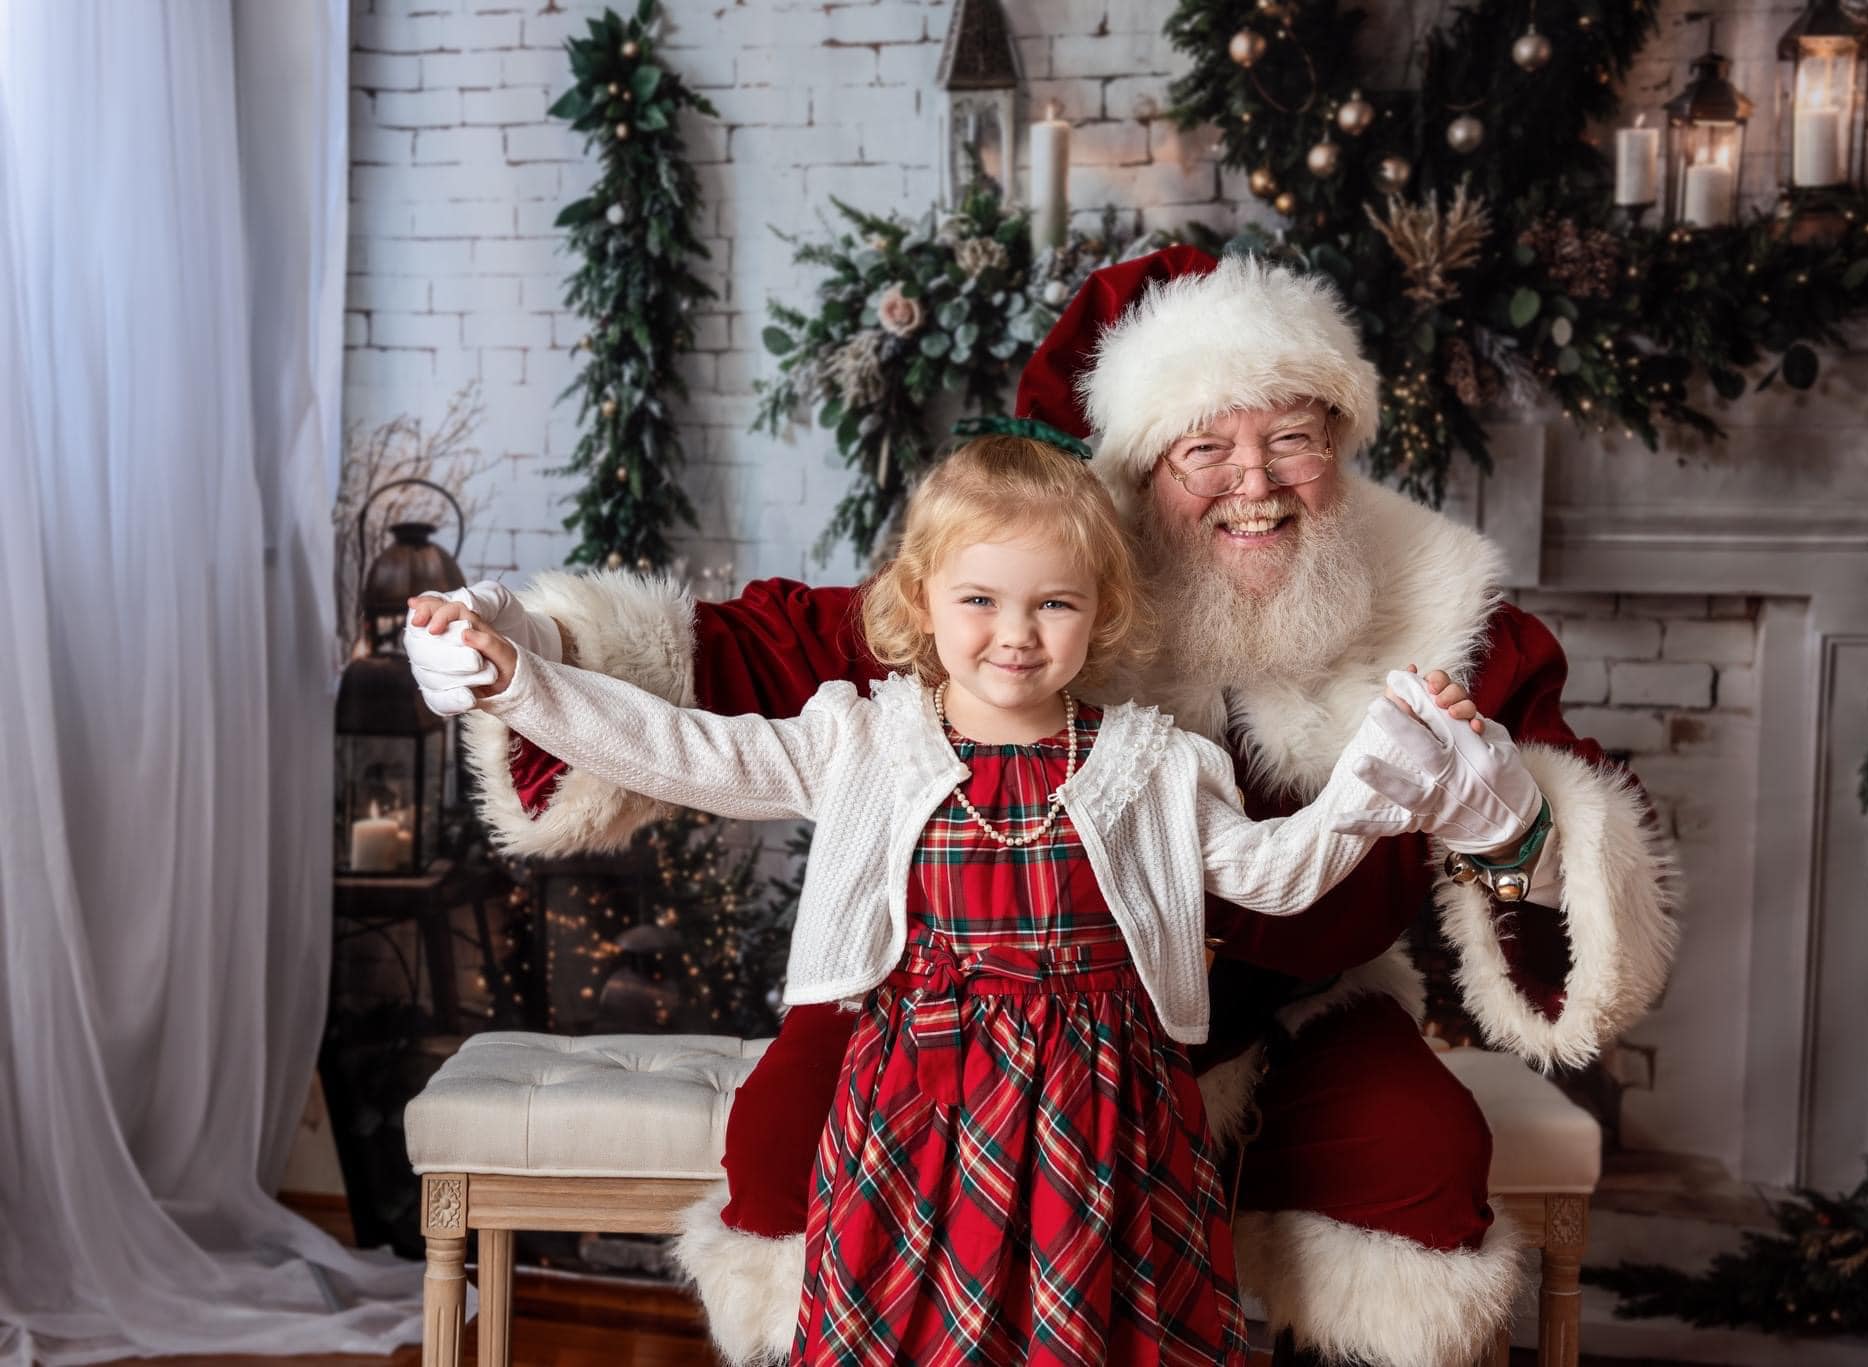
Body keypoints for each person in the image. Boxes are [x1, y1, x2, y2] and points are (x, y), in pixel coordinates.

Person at [409, 248, 1681, 1367]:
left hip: (1247, 1030)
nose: (1254, 481)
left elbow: (1305, 862)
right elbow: (712, 707)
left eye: (1292, 436)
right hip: (927, 1042)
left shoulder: (1417, 622)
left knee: (1416, 1160)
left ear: (1338, 441)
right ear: (1137, 468)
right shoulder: (1018, 590)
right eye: (1203, 446)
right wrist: (522, 658)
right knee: (783, 1149)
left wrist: (1490, 817)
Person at [421, 435, 1457, 1366]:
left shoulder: (1148, 762)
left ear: (1103, 608)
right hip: (916, 1113)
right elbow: (680, 748)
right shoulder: (867, 740)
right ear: (920, 600)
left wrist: (1371, 781)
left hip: (1108, 1122)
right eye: (980, 600)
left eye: (1054, 603)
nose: (1016, 633)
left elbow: (1273, 873)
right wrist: (520, 682)